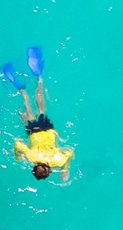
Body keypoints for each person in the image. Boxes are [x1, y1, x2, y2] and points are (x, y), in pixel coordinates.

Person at [5, 47, 73, 181]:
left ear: (48, 169)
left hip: (48, 130)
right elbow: (18, 143)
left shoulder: (57, 160)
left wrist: (65, 169)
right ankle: (25, 90)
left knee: (41, 109)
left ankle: (39, 80)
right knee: (28, 110)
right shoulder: (32, 157)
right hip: (34, 131)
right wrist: (18, 156)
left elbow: (69, 152)